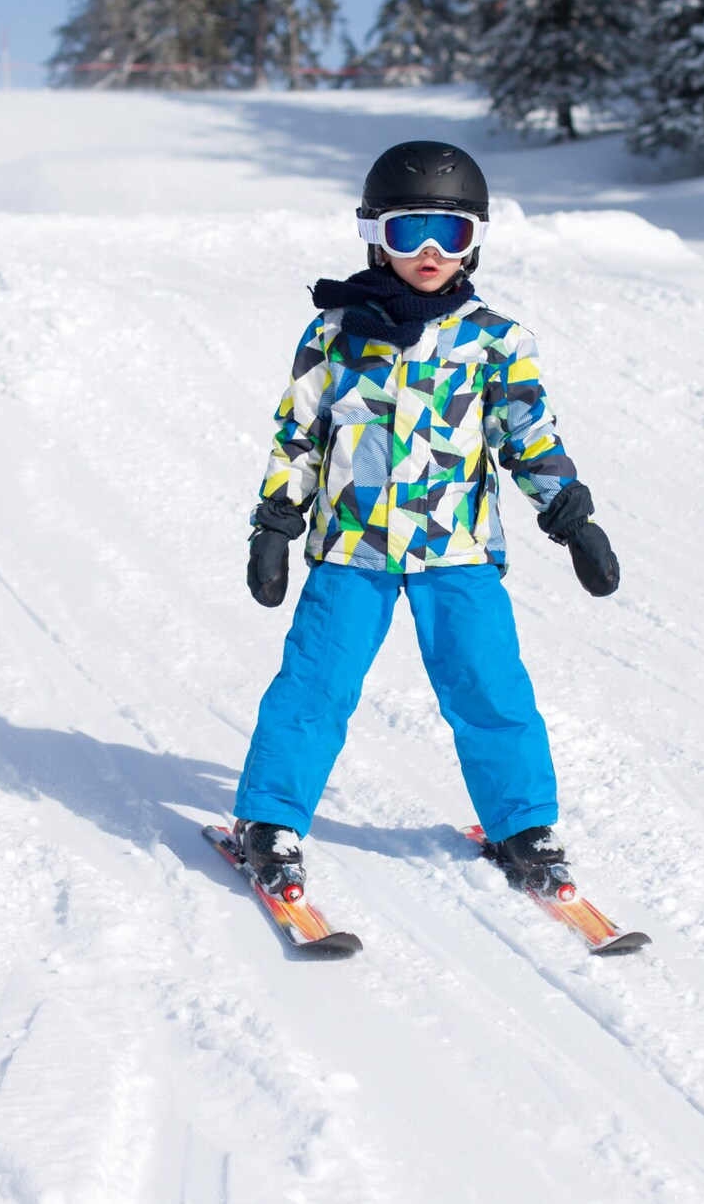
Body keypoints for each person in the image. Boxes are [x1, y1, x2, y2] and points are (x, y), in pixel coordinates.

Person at [231, 140, 621, 904]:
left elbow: (528, 436)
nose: (433, 252)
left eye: (454, 234)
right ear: (376, 234)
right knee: (314, 686)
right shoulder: (335, 333)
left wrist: (573, 518)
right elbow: (299, 435)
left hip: (457, 549)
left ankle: (522, 825)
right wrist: (276, 523)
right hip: (352, 548)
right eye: (412, 232)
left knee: (490, 688)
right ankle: (270, 821)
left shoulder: (495, 340)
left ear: (477, 241)